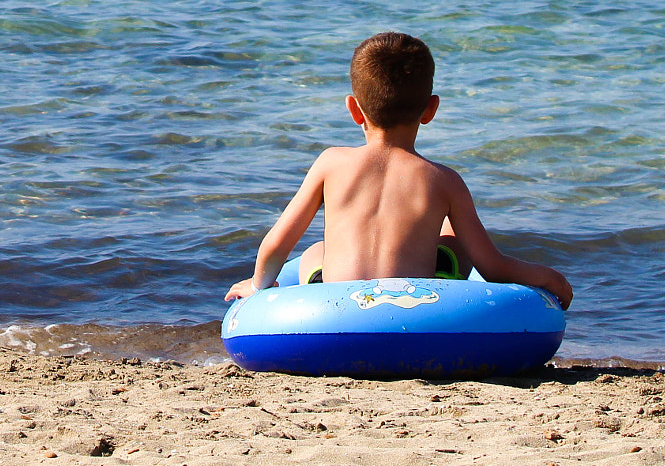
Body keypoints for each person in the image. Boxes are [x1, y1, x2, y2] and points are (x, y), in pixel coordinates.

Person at [223, 31, 573, 309]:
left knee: (316, 251)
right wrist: (547, 277)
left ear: (353, 109)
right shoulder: (443, 180)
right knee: (456, 237)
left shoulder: (330, 163)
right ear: (431, 109)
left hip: (336, 305)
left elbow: (276, 245)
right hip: (415, 305)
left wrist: (257, 286)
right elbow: (493, 267)